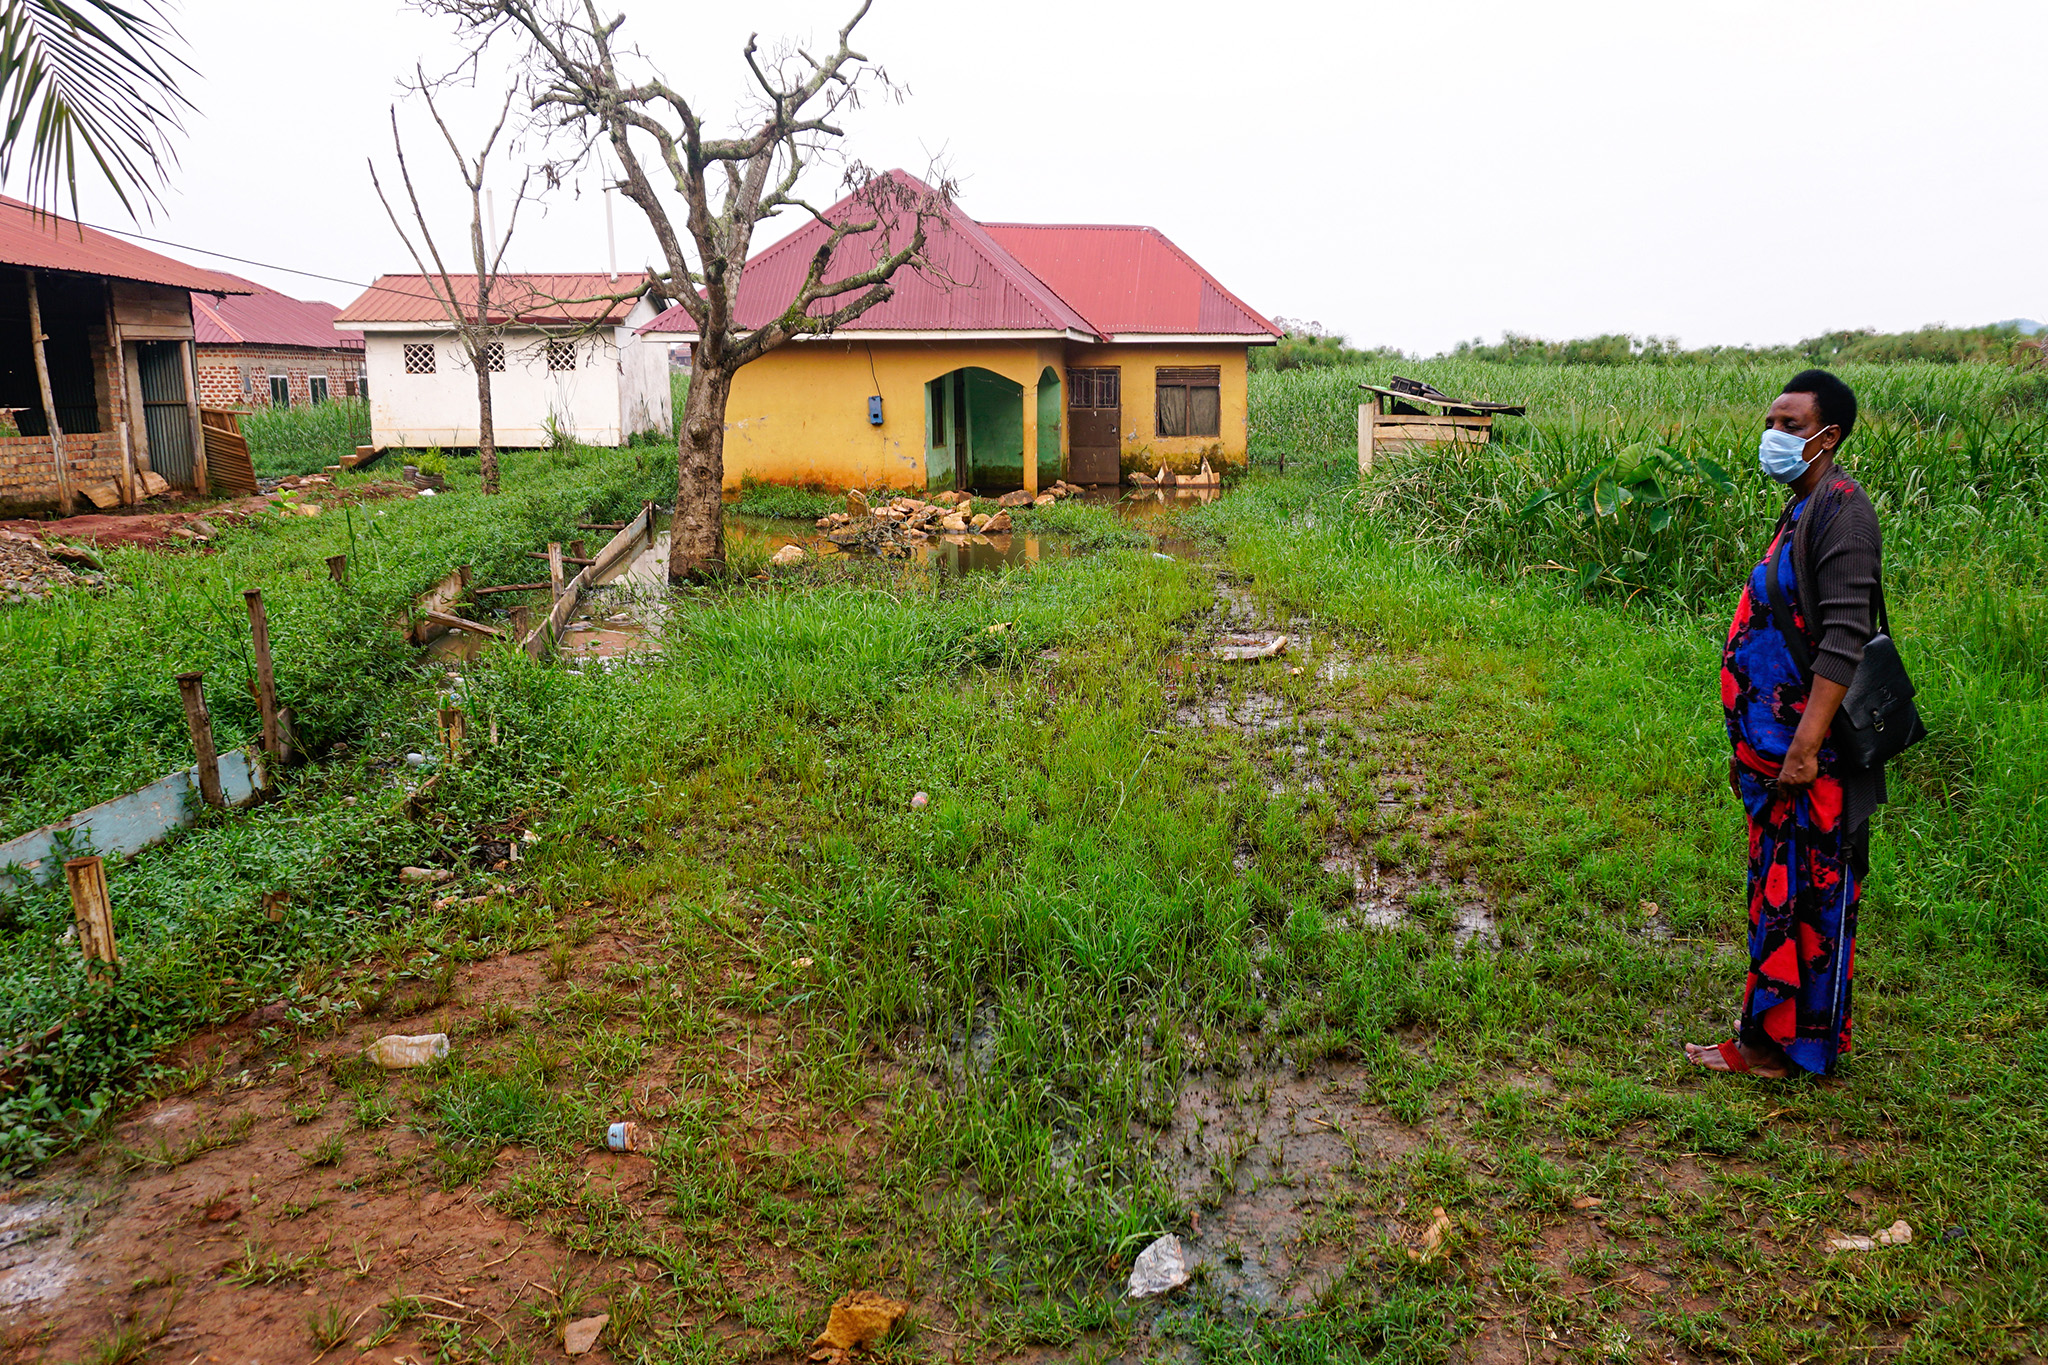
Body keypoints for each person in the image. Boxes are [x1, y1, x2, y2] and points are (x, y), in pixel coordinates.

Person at [1687, 369, 1883, 1079]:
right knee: (1780, 894)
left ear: (1827, 436)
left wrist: (1802, 749)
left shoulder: (1843, 511)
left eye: (1791, 425)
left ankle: (1777, 1047)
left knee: (1809, 898)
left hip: (1809, 764)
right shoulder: (1802, 508)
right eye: (1771, 421)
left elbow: (1844, 639)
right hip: (1774, 760)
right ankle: (1775, 1036)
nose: (1774, 436)